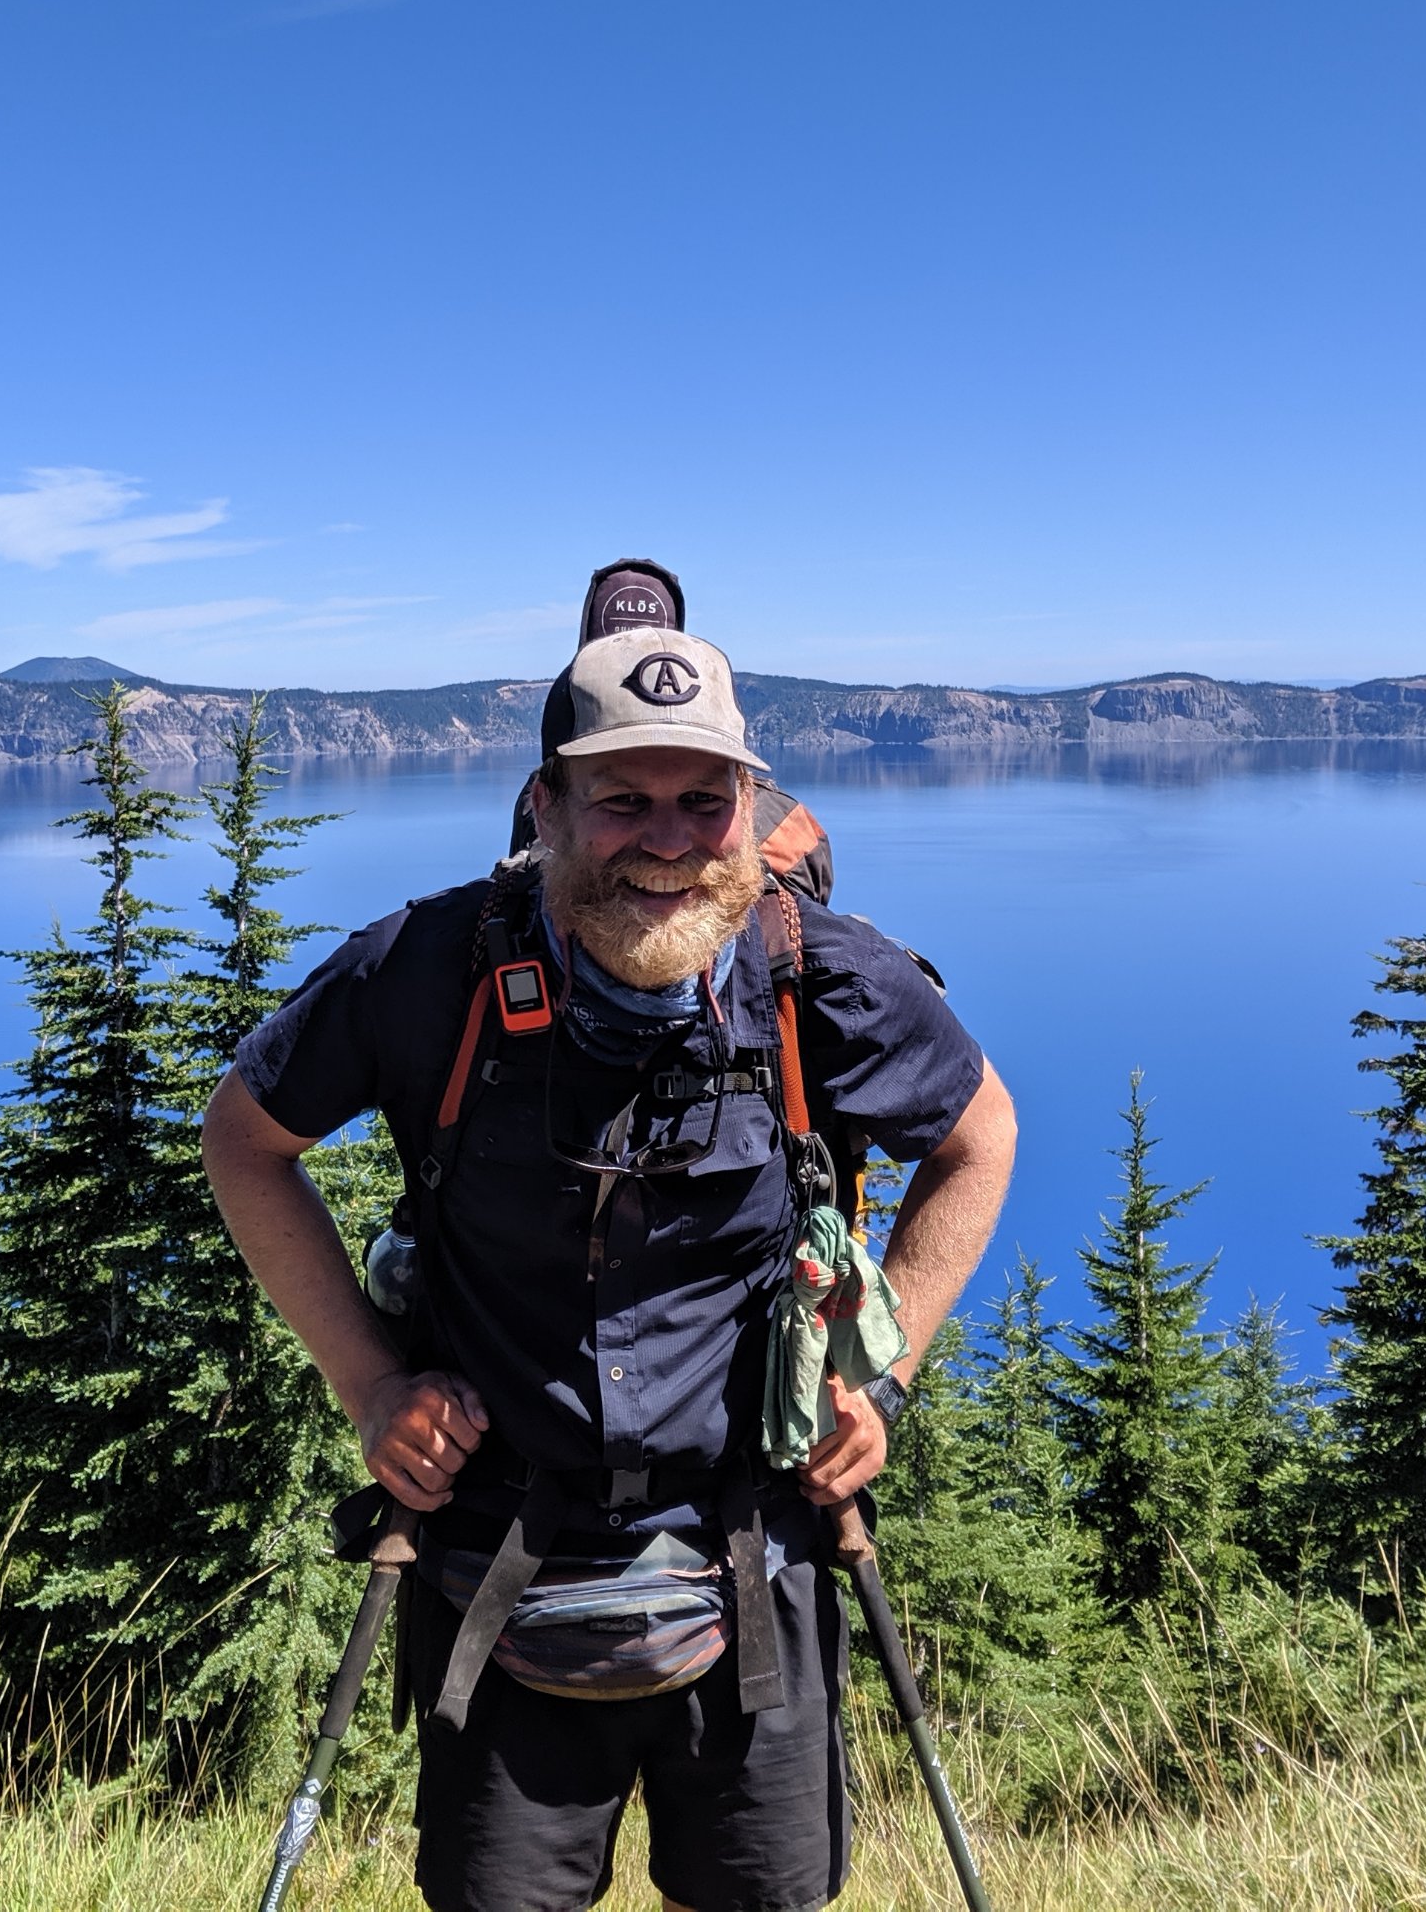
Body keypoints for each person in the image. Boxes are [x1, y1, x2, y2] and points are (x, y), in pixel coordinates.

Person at [203, 582, 1017, 1912]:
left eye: (705, 801)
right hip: (497, 1576)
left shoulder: (817, 972)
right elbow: (244, 1137)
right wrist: (370, 1387)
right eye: (622, 800)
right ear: (548, 805)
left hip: (756, 1559)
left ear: (750, 807)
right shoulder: (431, 970)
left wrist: (884, 1374)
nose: (668, 842)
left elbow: (979, 1132)